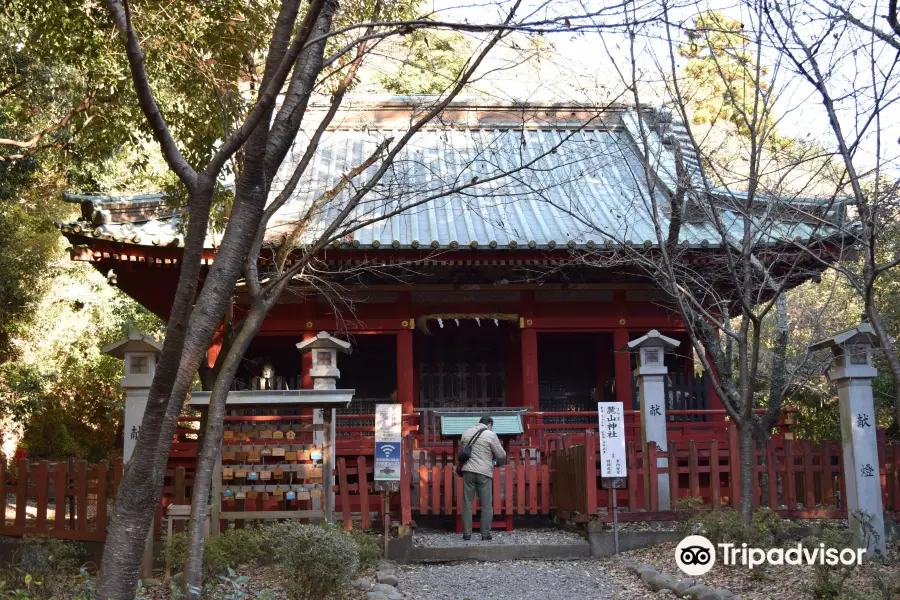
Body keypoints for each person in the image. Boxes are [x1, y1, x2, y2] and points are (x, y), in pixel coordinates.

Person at [459, 416, 506, 541]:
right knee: (486, 505)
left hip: (468, 471)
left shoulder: (466, 433)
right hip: (484, 473)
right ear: (489, 425)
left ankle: (467, 534)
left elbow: (462, 452)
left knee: (467, 503)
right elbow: (501, 455)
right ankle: (485, 534)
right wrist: (497, 463)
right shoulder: (491, 435)